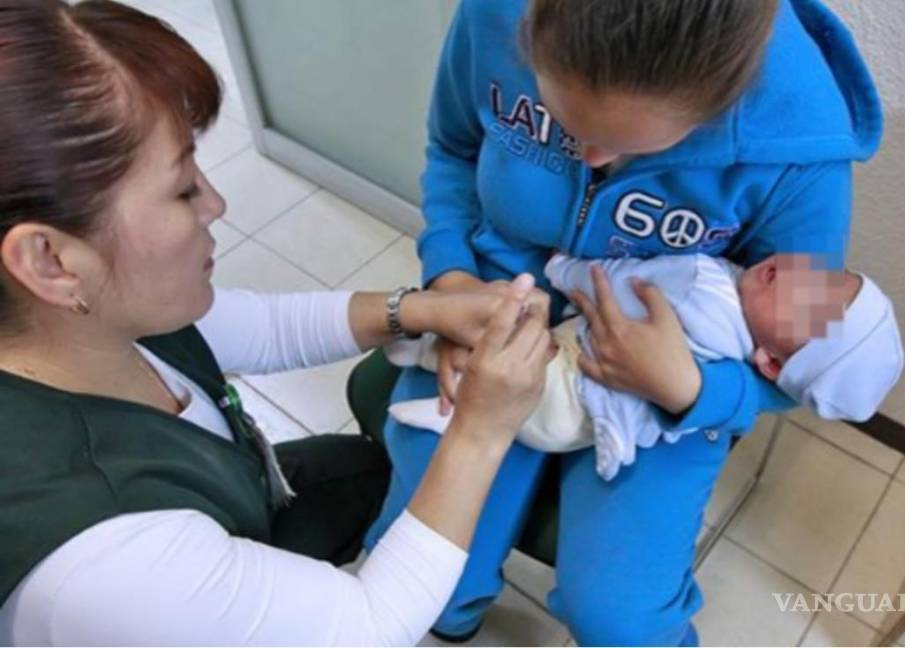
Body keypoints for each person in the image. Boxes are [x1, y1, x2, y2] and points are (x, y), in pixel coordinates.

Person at [0, 1, 554, 645]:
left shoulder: (83, 317)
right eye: (182, 189)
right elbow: (369, 626)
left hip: (242, 499)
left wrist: (421, 308)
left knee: (367, 471)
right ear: (50, 260)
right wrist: (481, 430)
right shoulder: (110, 567)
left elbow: (256, 328)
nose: (216, 203)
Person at [362, 0, 884, 644]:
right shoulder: (492, 15)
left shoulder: (801, 149)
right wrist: (451, 284)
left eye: (628, 146)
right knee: (428, 587)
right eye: (558, 118)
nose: (588, 157)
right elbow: (453, 150)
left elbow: (803, 357)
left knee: (619, 622)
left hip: (666, 384)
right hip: (489, 316)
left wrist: (691, 390)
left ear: (720, 106)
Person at [388, 252, 905, 480]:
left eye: (808, 308)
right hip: (588, 421)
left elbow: (613, 279)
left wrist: (562, 267)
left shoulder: (704, 282)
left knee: (512, 357)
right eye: (824, 276)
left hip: (565, 390)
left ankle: (447, 395)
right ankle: (434, 357)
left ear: (770, 363)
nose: (795, 276)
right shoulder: (738, 345)